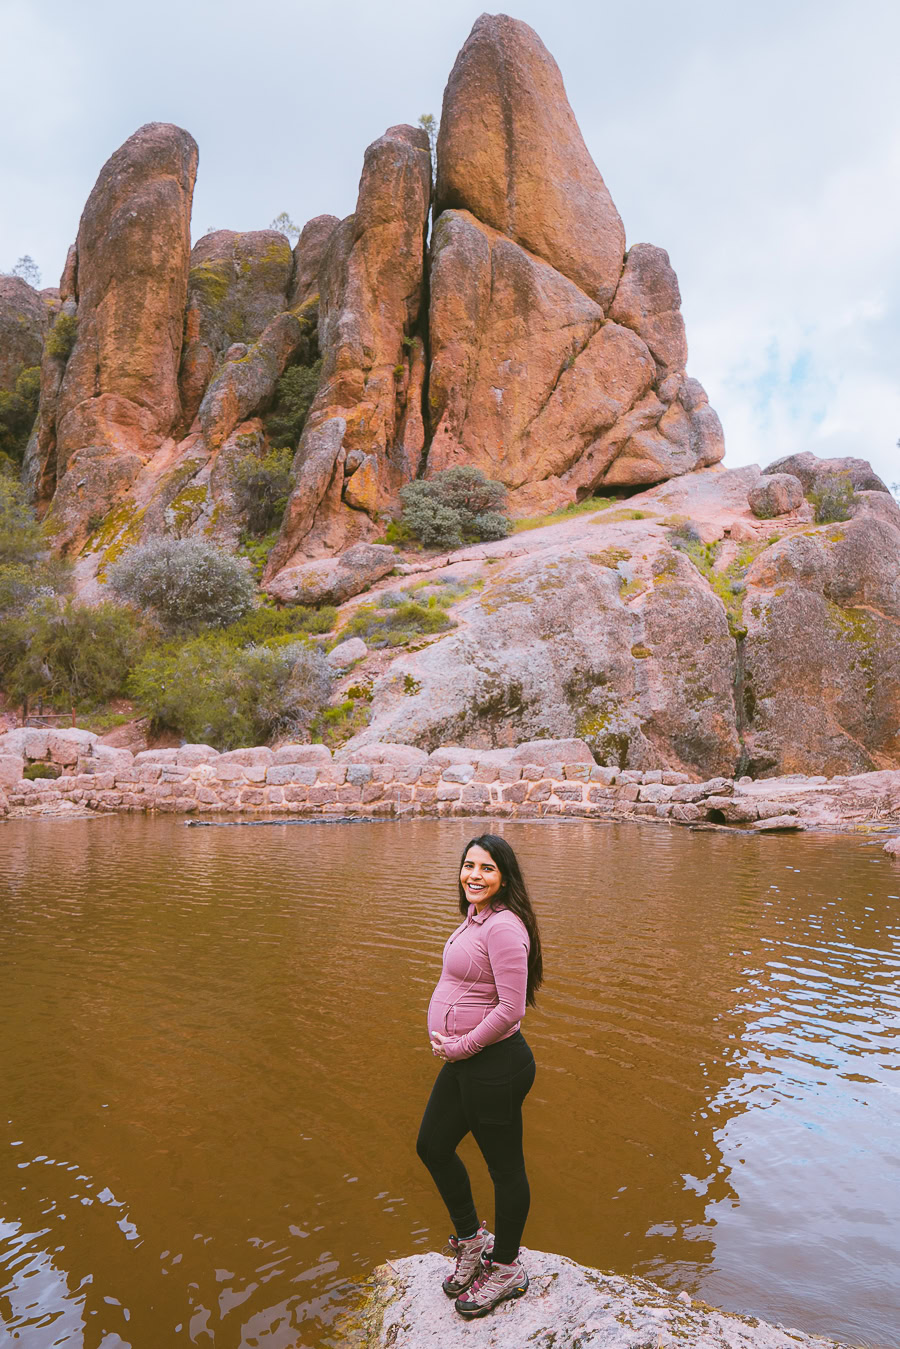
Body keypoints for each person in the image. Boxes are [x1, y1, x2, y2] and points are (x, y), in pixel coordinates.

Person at [416, 833, 543, 1320]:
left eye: (486, 868)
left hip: (496, 1066)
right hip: (466, 1062)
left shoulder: (505, 927)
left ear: (504, 877)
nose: (474, 875)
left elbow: (511, 1009)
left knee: (505, 1171)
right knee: (432, 1146)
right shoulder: (475, 919)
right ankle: (473, 1241)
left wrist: (461, 1044)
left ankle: (507, 1266)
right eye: (469, 865)